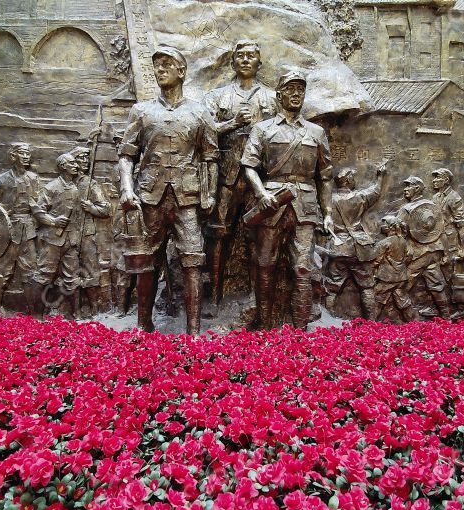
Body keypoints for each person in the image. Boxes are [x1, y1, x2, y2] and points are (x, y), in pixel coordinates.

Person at [118, 45, 219, 334]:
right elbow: (126, 156)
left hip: (187, 198)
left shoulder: (200, 112)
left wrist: (209, 193)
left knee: (192, 260)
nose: (159, 69)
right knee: (145, 260)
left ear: (182, 71)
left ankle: (194, 331)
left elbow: (210, 156)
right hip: (150, 197)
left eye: (166, 64)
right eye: (156, 65)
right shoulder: (141, 111)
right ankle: (142, 325)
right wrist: (127, 189)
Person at [241, 70, 334, 330]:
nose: (296, 94)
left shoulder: (316, 133)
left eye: (300, 89)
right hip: (273, 202)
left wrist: (327, 213)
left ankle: (301, 329)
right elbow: (249, 166)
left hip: (305, 205)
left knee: (303, 269)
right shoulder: (263, 129)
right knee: (265, 264)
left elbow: (325, 177)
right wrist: (261, 193)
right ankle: (263, 324)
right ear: (279, 94)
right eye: (290, 89)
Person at [202, 40, 278, 312]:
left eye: (251, 56)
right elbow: (202, 132)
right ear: (233, 62)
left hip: (261, 177)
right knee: (218, 235)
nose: (246, 60)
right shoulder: (217, 96)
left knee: (260, 236)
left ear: (259, 62)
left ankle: (258, 299)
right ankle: (212, 297)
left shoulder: (272, 97)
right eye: (240, 56)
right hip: (227, 177)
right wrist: (232, 124)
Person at [322, 163, 389, 319]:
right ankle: (371, 322)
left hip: (339, 247)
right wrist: (380, 176)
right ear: (348, 180)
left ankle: (329, 318)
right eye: (352, 177)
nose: (354, 180)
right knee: (367, 286)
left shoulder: (328, 201)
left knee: (332, 287)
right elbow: (377, 191)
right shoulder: (359, 197)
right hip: (359, 248)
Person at [0, 142, 40, 314]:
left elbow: (40, 205)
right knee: (1, 272)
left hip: (28, 231)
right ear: (13, 156)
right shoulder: (4, 179)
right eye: (22, 153)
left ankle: (34, 312)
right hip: (7, 231)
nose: (27, 156)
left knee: (31, 273)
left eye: (28, 152)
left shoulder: (34, 178)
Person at [31, 153, 85, 317]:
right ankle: (37, 316)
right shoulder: (52, 187)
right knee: (43, 277)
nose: (75, 165)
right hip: (52, 240)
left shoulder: (75, 188)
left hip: (71, 241)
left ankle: (78, 315)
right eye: (71, 163)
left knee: (73, 278)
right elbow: (37, 211)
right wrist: (53, 221)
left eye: (76, 162)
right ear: (62, 166)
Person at [396, 175, 451, 319]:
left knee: (400, 287)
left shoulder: (406, 209)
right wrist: (445, 253)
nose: (405, 189)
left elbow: (396, 233)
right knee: (436, 286)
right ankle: (446, 318)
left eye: (409, 186)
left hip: (418, 255)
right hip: (434, 253)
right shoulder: (432, 206)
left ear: (417, 188)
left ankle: (410, 319)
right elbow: (441, 232)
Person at [68, 146, 111, 316]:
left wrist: (91, 207)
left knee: (90, 269)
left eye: (87, 158)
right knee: (70, 271)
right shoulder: (66, 183)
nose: (85, 162)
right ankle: (74, 311)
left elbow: (106, 209)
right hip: (66, 232)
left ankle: (94, 307)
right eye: (81, 158)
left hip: (86, 232)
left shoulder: (90, 183)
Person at [430, 167, 464, 319]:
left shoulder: (454, 197)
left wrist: (463, 248)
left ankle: (460, 308)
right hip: (437, 241)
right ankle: (441, 307)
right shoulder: (435, 198)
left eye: (437, 178)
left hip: (450, 240)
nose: (434, 181)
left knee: (451, 274)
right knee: (439, 274)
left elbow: (462, 223)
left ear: (445, 180)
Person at [373, 215, 414, 323]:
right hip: (401, 277)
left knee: (377, 299)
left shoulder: (384, 243)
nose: (382, 226)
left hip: (387, 278)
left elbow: (376, 261)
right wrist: (401, 266)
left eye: (384, 224)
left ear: (390, 227)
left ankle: (369, 324)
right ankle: (414, 323)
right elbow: (409, 255)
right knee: (403, 301)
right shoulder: (403, 241)